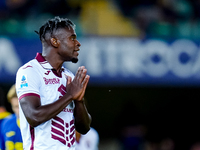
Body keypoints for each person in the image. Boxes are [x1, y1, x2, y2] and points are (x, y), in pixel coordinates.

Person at [15, 16, 91, 150]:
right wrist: (69, 96)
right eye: (72, 38)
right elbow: (34, 116)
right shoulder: (30, 71)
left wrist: (79, 101)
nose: (78, 43)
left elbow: (83, 128)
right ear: (55, 41)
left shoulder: (68, 76)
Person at [0, 84, 23, 150]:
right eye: (16, 107)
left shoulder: (38, 124)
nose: (19, 111)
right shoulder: (5, 123)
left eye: (22, 106)